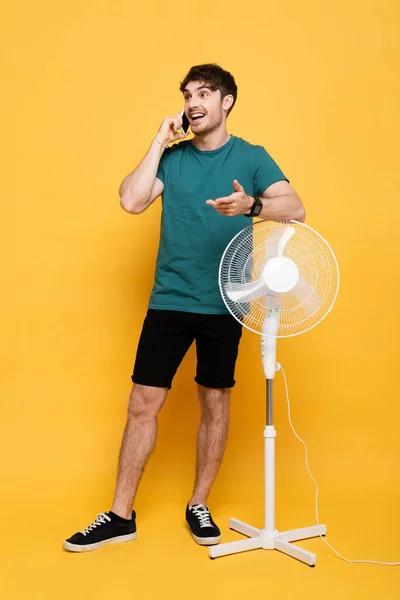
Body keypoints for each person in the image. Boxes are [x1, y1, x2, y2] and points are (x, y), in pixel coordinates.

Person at [63, 63, 305, 553]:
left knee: (214, 402)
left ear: (226, 101)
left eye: (205, 94)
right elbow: (132, 202)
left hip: (225, 303)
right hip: (169, 301)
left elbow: (296, 209)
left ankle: (199, 502)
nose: (194, 103)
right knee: (141, 404)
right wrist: (158, 141)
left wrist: (252, 207)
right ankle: (119, 515)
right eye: (188, 95)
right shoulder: (172, 160)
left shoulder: (252, 157)